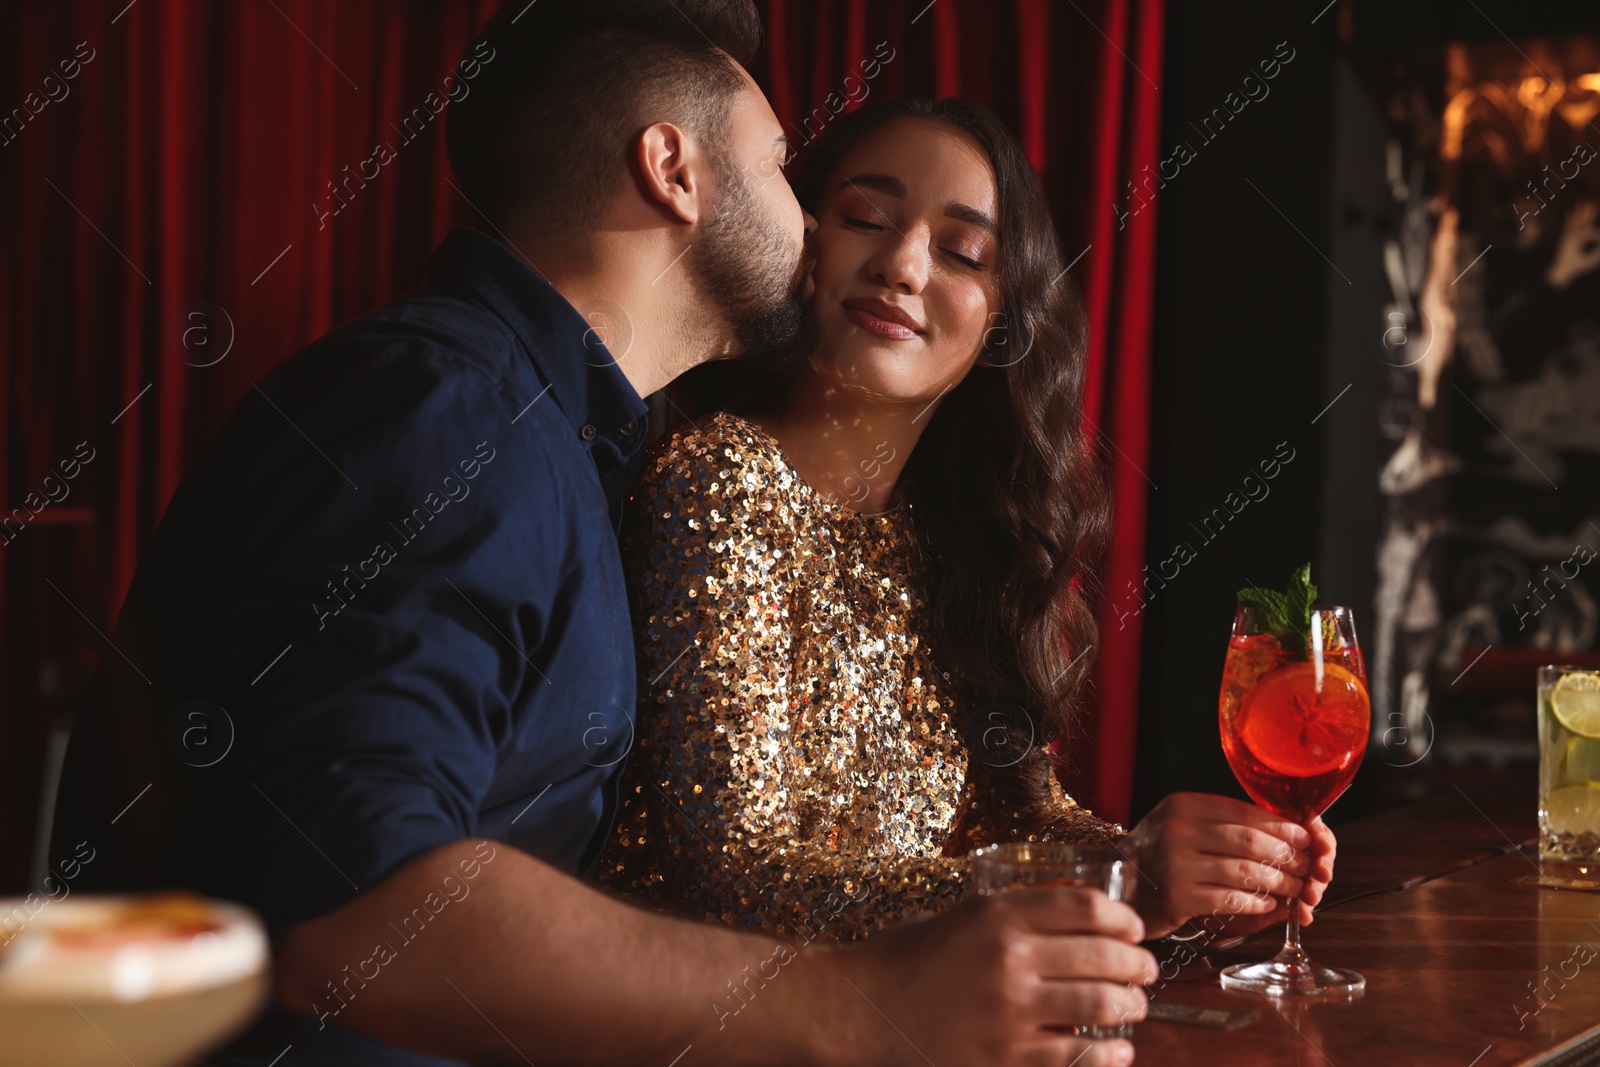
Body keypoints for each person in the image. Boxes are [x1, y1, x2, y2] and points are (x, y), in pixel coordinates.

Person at [50, 5, 1156, 1066]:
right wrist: (863, 1002)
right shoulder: (450, 415)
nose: (816, 222)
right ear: (674, 171)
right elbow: (350, 907)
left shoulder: (558, 442)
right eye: (782, 167)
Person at [600, 97, 1339, 948]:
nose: (904, 265)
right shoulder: (717, 478)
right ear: (803, 245)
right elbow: (736, 875)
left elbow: (1019, 820)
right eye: (867, 218)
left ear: (1000, 327)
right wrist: (1121, 884)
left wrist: (1197, 879)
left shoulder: (951, 533)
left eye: (962, 252)